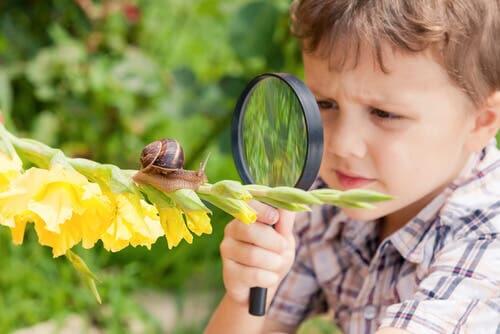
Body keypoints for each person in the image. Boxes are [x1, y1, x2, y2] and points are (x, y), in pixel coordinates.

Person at [206, 0, 500, 333]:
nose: (342, 145)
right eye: (325, 104)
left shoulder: (489, 248)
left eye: (384, 114)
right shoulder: (323, 201)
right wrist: (245, 296)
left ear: (481, 122)